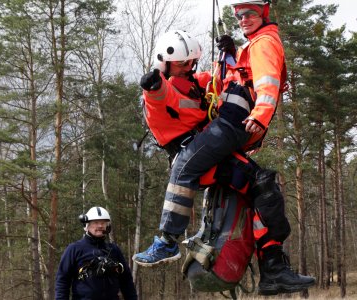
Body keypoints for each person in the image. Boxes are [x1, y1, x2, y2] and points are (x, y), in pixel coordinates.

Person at [133, 0, 315, 295]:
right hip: (202, 150)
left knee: (263, 186)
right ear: (165, 64)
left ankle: (273, 266)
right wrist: (152, 86)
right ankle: (167, 241)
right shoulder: (164, 86)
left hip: (219, 147)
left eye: (249, 14)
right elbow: (161, 99)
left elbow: (222, 82)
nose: (190, 67)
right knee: (184, 168)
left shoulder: (196, 80)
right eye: (183, 64)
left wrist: (228, 56)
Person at [56, 206, 137, 300]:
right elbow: (62, 280)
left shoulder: (114, 250)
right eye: (96, 222)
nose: (100, 226)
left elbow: (126, 280)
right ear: (87, 225)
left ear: (108, 226)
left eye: (103, 223)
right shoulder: (74, 249)